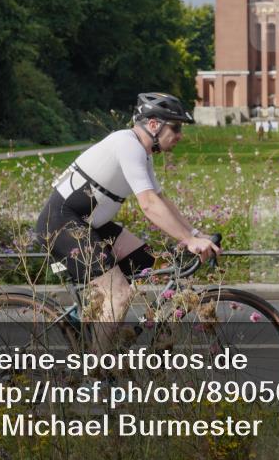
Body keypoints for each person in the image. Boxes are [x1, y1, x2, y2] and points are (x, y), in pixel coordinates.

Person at [35, 92, 221, 353]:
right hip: (62, 224)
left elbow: (161, 199)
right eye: (176, 127)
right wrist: (189, 241)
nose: (180, 135)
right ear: (154, 124)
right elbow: (148, 204)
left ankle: (87, 323)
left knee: (146, 262)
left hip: (89, 224)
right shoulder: (128, 145)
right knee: (119, 294)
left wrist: (194, 233)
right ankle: (96, 377)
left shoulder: (142, 152)